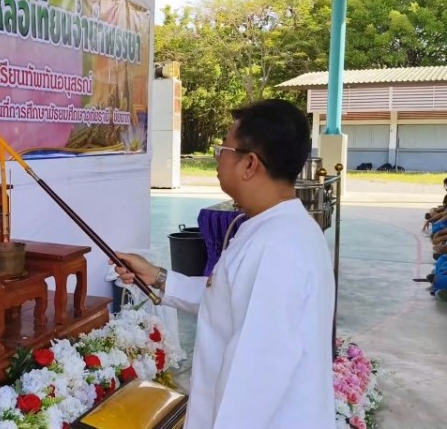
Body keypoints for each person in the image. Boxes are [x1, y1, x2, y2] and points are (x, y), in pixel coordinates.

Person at [114, 99, 336, 429]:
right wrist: (159, 277)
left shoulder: (275, 247)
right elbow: (230, 301)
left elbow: (254, 379)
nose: (218, 159)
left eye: (224, 149)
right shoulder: (275, 227)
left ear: (249, 164)